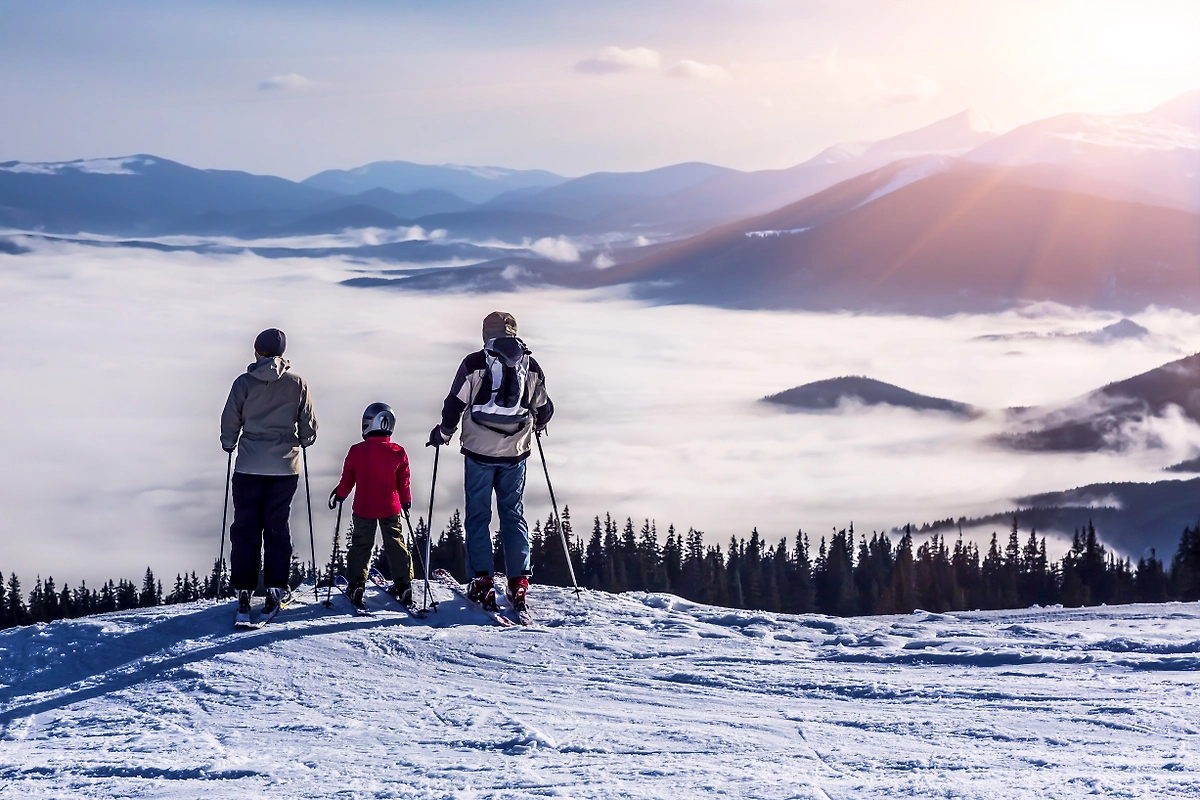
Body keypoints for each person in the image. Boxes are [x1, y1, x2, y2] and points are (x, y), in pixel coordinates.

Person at [428, 311, 553, 612]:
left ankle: (482, 581)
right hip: (516, 452)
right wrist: (537, 424)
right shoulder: (530, 364)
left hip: (478, 452)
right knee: (513, 513)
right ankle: (519, 581)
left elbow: (454, 404)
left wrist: (443, 433)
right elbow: (545, 409)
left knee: (478, 515)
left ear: (486, 333)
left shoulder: (474, 363)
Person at [220, 328, 317, 621]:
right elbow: (308, 426)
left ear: (257, 352)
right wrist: (304, 440)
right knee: (277, 526)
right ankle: (276, 587)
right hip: (285, 468)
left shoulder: (243, 383)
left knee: (245, 527)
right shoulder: (297, 383)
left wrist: (229, 443)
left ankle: (244, 589)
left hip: (249, 464)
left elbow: (230, 420)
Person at [329, 403, 414, 608]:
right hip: (390, 507)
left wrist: (340, 495)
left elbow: (348, 479)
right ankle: (404, 584)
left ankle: (356, 584)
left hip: (364, 507)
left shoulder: (356, 451)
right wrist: (406, 501)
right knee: (395, 543)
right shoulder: (398, 452)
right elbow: (403, 482)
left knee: (361, 544)